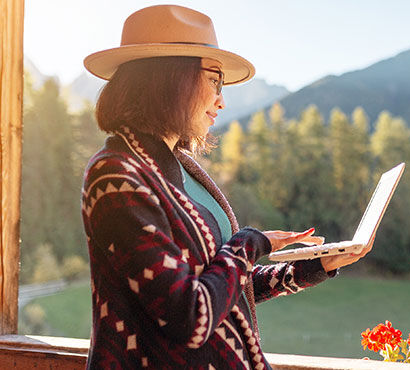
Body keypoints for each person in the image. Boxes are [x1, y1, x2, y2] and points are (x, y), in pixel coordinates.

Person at [81, 5, 373, 369]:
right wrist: (251, 243)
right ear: (169, 78)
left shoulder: (182, 168)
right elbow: (190, 316)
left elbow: (223, 287)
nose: (222, 99)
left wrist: (311, 267)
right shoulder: (116, 177)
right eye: (214, 80)